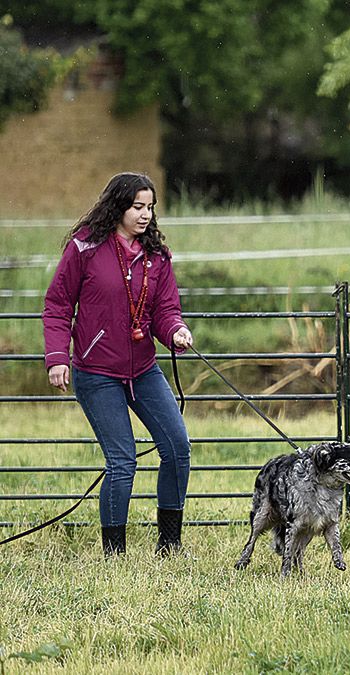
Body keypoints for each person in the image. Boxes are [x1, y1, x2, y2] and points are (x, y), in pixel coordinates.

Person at [42, 172, 194, 557]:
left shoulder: (157, 256)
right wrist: (58, 358)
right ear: (118, 206)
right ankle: (115, 554)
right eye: (137, 207)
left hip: (144, 370)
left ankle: (170, 545)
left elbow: (165, 309)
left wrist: (175, 330)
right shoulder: (84, 248)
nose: (145, 215)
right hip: (96, 374)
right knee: (122, 460)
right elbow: (58, 306)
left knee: (177, 447)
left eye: (150, 208)